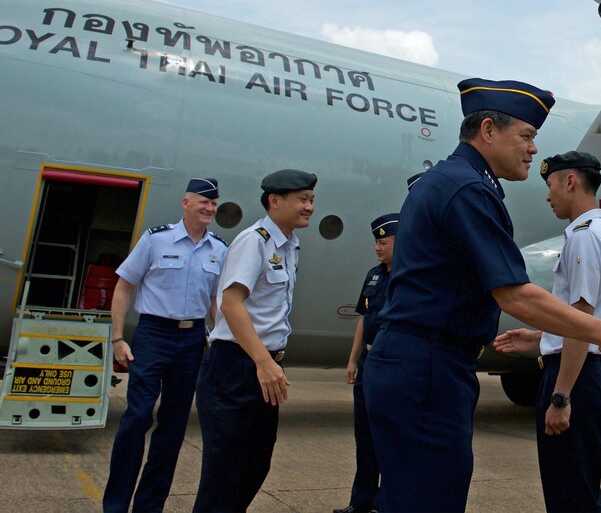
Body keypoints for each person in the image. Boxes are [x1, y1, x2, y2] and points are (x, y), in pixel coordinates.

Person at [364, 77, 601, 512]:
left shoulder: (448, 181)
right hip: (429, 368)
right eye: (527, 135)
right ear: (489, 130)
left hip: (421, 363)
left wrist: (542, 339)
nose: (534, 149)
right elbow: (516, 296)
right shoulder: (468, 189)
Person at [493, 150, 601, 512]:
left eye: (550, 185)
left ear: (570, 181)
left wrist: (561, 397)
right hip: (580, 370)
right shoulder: (599, 233)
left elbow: (581, 321)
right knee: (575, 487)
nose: (548, 196)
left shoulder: (583, 238)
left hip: (573, 377)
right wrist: (539, 338)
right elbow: (585, 321)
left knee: (570, 494)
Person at [192, 169, 317, 512]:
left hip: (263, 367)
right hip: (237, 367)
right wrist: (261, 360)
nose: (309, 207)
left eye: (311, 201)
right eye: (302, 200)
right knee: (223, 474)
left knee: (254, 464)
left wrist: (267, 362)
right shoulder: (254, 240)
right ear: (275, 201)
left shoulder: (289, 245)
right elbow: (231, 303)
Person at [102, 178, 227, 513]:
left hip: (192, 340)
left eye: (214, 204)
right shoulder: (156, 240)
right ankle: (115, 505)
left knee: (173, 426)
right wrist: (117, 338)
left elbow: (215, 300)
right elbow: (124, 286)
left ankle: (149, 506)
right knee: (138, 417)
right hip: (153, 334)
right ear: (185, 203)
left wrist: (219, 337)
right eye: (204, 202)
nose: (210, 209)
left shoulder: (219, 248)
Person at [334, 213, 399, 513]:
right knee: (364, 435)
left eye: (383, 242)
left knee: (389, 436)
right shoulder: (373, 275)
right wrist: (352, 360)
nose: (377, 247)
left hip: (391, 362)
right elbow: (364, 318)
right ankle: (360, 503)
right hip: (369, 360)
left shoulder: (407, 276)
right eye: (376, 242)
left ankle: (384, 503)